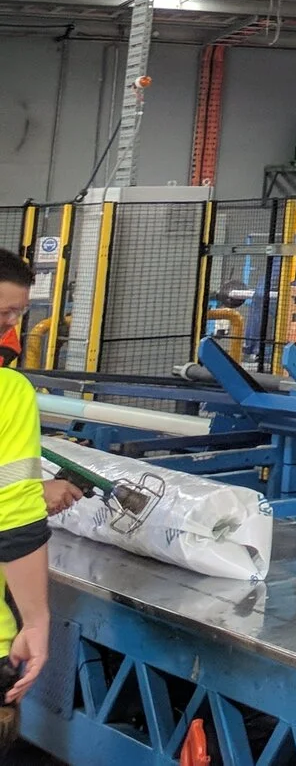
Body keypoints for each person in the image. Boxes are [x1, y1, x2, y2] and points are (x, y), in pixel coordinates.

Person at [0, 249, 87, 708]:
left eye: (18, 313)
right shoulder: (8, 392)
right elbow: (12, 519)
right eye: (4, 313)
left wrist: (32, 488)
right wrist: (35, 621)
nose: (11, 327)